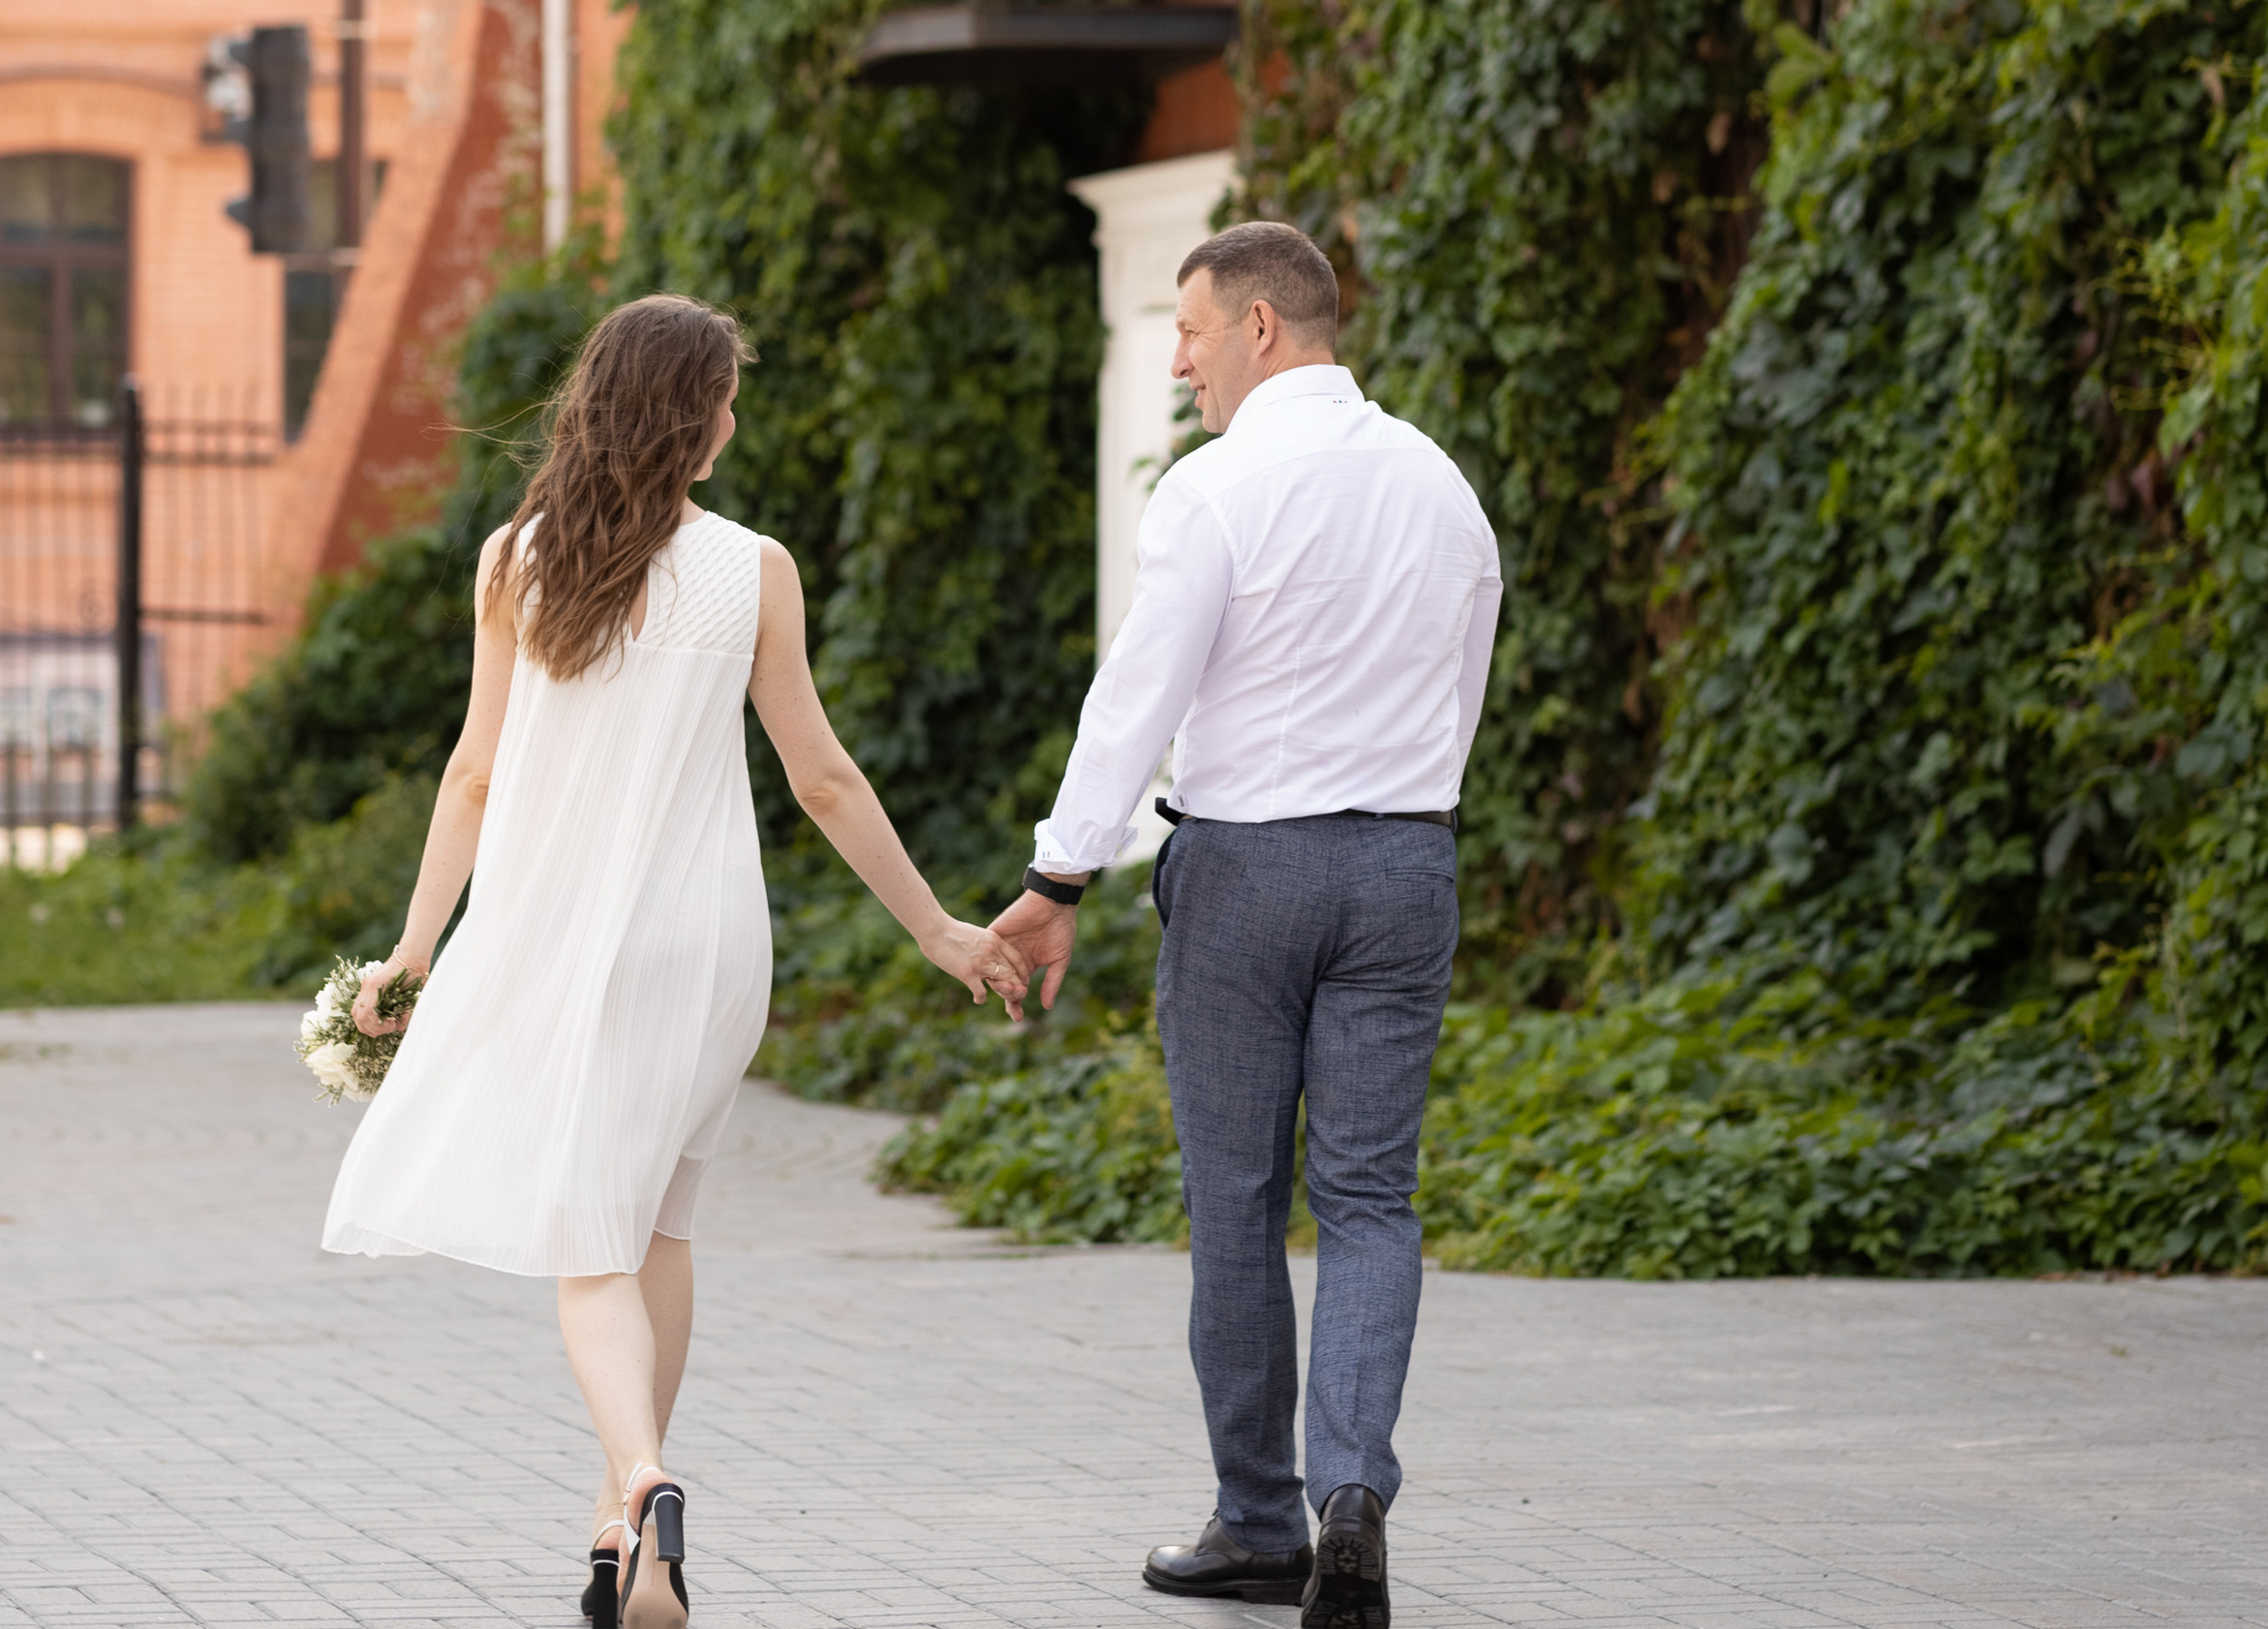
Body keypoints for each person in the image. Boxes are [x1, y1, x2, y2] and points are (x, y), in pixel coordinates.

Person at [321, 294, 1026, 1626]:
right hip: (709, 947)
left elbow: (472, 775)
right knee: (658, 1227)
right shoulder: (754, 568)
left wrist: (415, 949)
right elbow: (822, 777)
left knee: (588, 1239)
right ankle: (622, 1537)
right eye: (727, 401)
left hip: (564, 940)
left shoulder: (515, 562)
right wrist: (937, 928)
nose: (735, 422)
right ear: (692, 421)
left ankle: (644, 1477)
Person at [992, 222, 1501, 1629]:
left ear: (1261, 327)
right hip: (1404, 863)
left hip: (1246, 875)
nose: (1179, 362)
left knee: (1236, 1198)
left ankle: (1263, 1526)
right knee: (1371, 1197)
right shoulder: (1441, 484)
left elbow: (1137, 695)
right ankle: (1354, 1496)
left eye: (1190, 331)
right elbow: (1463, 680)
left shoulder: (1214, 490)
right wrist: (1401, 809)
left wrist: (1059, 877)